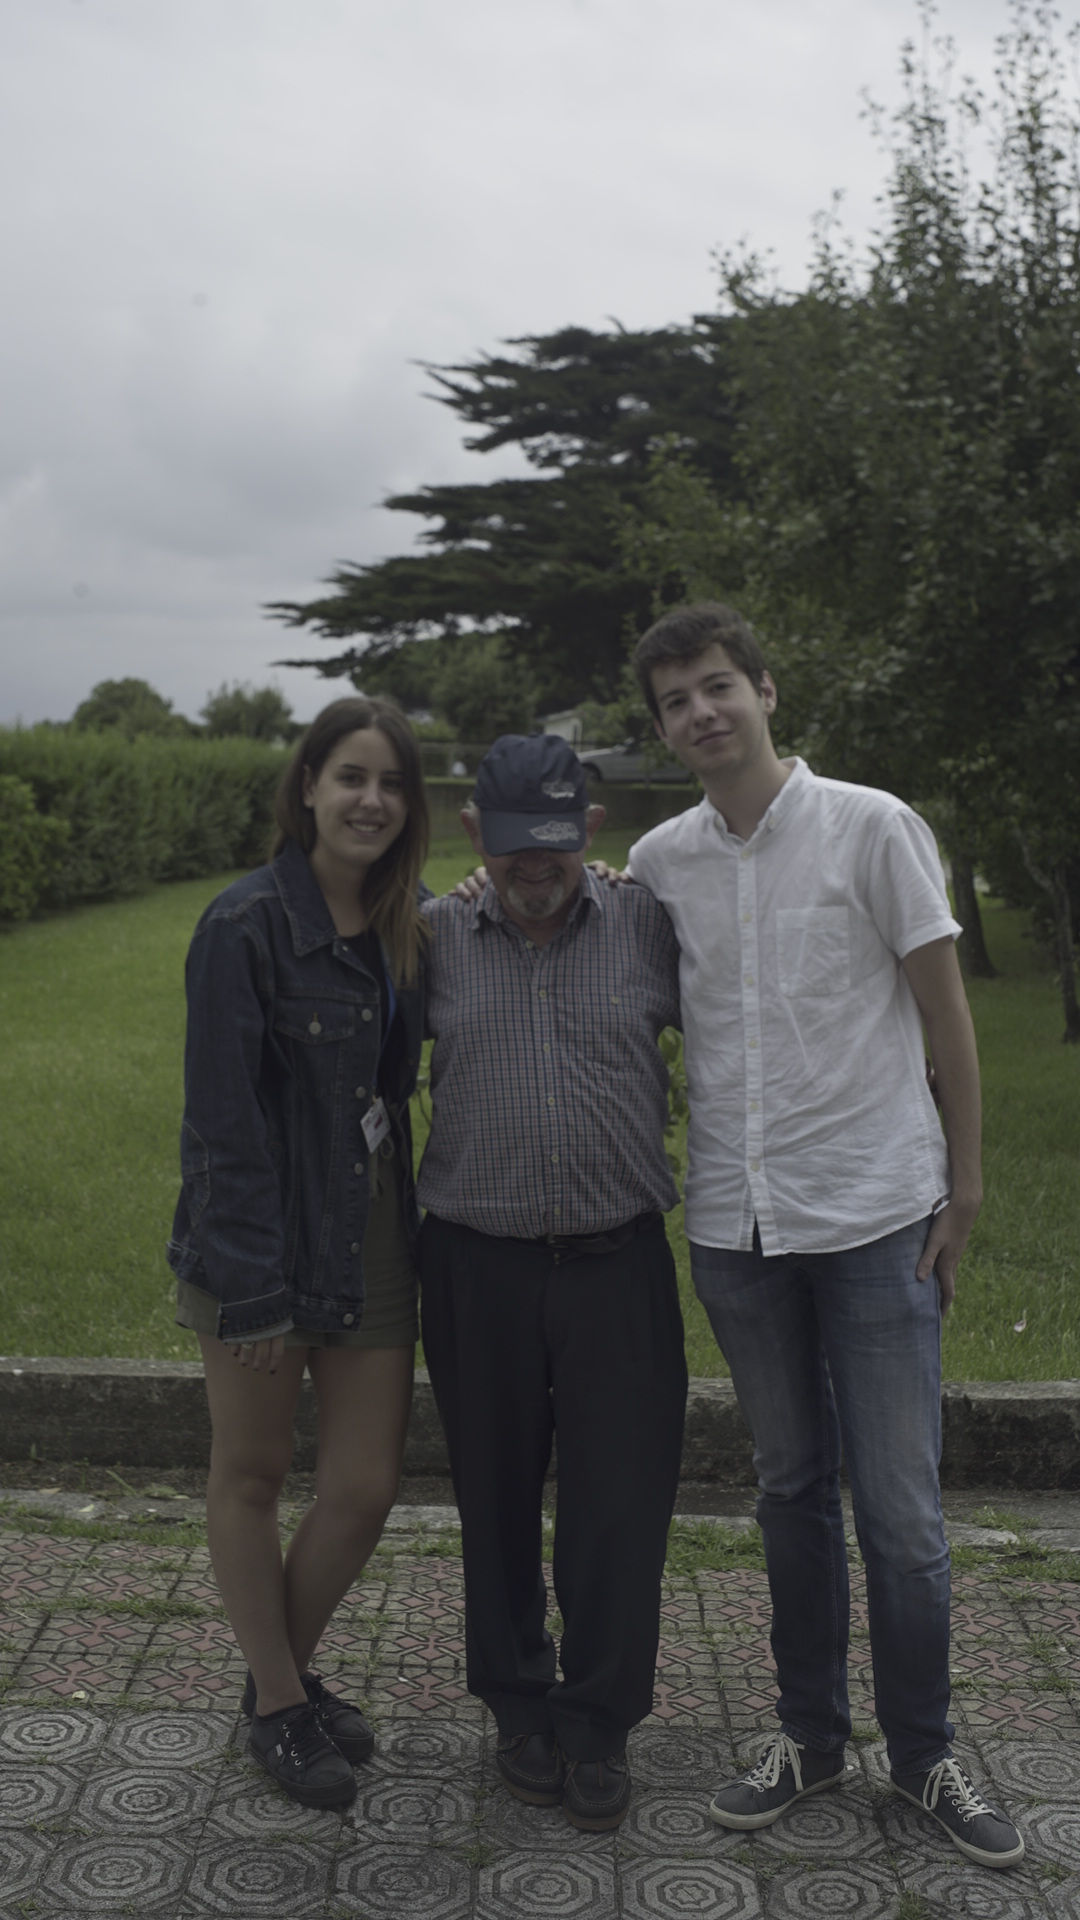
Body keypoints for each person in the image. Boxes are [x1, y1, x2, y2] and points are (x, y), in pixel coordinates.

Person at [623, 602, 1023, 1871]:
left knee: (901, 1510)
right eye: (676, 700)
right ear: (661, 728)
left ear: (766, 690)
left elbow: (946, 1016)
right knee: (790, 1489)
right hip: (736, 1230)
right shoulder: (658, 863)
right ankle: (809, 1734)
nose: (700, 712)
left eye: (717, 685)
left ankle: (925, 1751)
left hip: (873, 1213)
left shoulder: (873, 825)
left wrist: (964, 1184)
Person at [418, 733, 687, 1832]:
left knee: (620, 1506)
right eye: (513, 847)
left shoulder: (649, 922)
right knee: (491, 1496)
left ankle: (599, 1719)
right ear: (472, 834)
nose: (537, 867)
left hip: (617, 1262)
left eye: (557, 844)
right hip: (475, 1262)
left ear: (594, 830)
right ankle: (516, 1702)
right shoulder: (433, 936)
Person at [167, 696, 429, 1811]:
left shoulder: (408, 926)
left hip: (371, 1236)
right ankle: (281, 1701)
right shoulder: (242, 927)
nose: (371, 800)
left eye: (391, 783)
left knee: (364, 1487)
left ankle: (273, 1673)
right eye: (351, 777)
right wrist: (252, 1287)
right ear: (309, 787)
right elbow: (220, 1125)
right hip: (258, 1239)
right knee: (254, 1472)